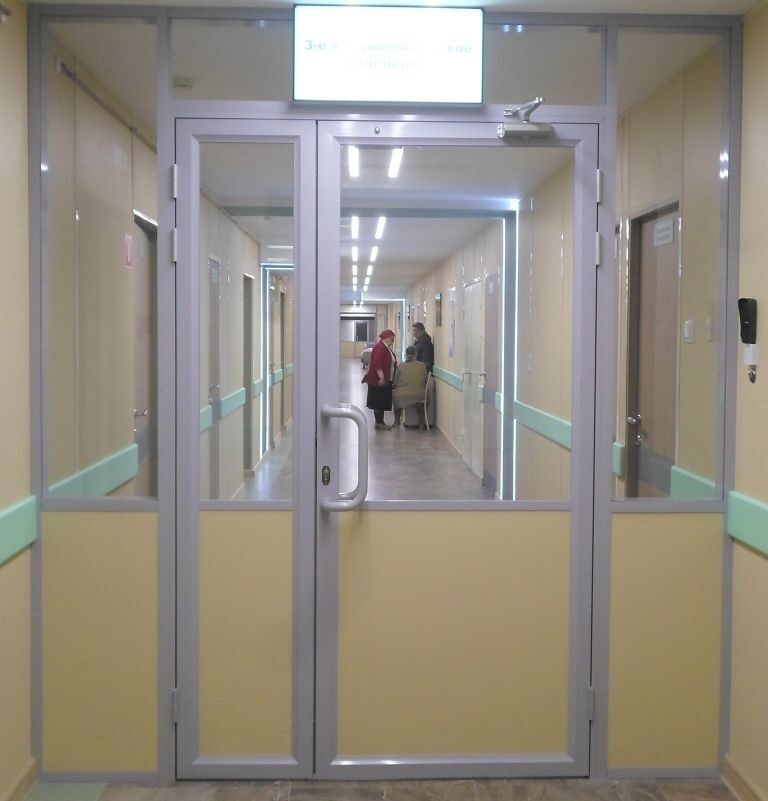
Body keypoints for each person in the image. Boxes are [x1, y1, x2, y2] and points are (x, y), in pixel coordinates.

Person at [363, 329, 398, 430]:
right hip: (378, 381)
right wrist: (381, 377)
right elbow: (377, 363)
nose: (393, 341)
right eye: (392, 339)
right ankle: (379, 423)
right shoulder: (380, 347)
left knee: (381, 401)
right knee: (378, 401)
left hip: (385, 380)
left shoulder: (385, 347)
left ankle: (380, 422)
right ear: (386, 338)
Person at [393, 346, 428, 429]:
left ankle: (397, 422)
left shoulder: (401, 366)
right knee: (421, 402)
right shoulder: (422, 365)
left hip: (402, 396)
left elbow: (395, 383)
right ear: (416, 354)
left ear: (406, 354)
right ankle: (421, 423)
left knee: (396, 400)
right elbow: (425, 380)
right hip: (419, 395)